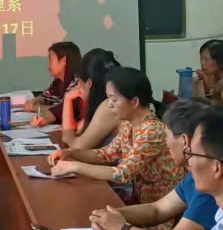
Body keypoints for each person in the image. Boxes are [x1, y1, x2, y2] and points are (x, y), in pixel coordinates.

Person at [89, 98, 218, 230]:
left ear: (185, 141)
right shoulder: (194, 174)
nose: (165, 141)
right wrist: (110, 216)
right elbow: (157, 210)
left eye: (166, 134)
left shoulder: (209, 182)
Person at [50, 67, 182, 203]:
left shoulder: (151, 129)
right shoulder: (128, 124)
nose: (110, 105)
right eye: (108, 99)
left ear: (134, 102)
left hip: (162, 208)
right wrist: (71, 153)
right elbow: (106, 154)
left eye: (114, 100)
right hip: (142, 203)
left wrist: (75, 166)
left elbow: (123, 174)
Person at [59, 47, 120, 148]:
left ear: (89, 83)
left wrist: (67, 98)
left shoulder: (109, 107)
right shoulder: (114, 101)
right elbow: (77, 130)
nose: (77, 86)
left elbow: (74, 144)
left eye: (79, 82)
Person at [32, 41, 81, 126]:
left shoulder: (78, 82)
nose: (48, 65)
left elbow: (61, 109)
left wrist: (35, 108)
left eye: (51, 59)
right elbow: (45, 97)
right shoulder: (58, 82)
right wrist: (35, 101)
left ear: (64, 60)